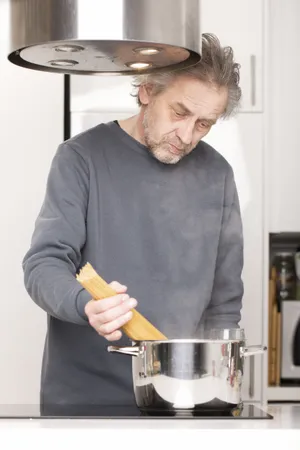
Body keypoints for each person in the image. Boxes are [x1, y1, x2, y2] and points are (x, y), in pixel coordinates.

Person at [22, 33, 244, 414]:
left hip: (180, 398)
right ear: (146, 91)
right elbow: (43, 265)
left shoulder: (217, 174)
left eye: (204, 124)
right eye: (180, 113)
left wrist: (218, 393)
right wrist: (85, 304)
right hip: (83, 401)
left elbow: (224, 304)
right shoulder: (81, 158)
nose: (187, 135)